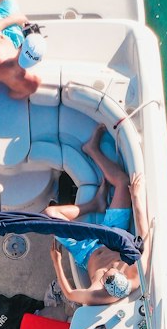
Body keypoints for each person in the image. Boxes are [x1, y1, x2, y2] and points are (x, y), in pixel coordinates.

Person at [45, 124, 150, 306]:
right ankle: (92, 150)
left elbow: (70, 294)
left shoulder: (99, 295)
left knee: (49, 214)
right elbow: (143, 232)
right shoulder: (137, 270)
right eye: (112, 270)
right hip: (112, 234)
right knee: (123, 182)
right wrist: (136, 197)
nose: (107, 269)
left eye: (103, 277)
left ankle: (94, 204)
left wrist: (57, 261)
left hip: (84, 250)